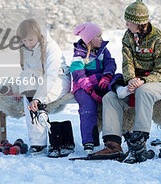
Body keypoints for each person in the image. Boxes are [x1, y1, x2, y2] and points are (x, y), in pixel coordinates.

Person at [90, 0, 161, 164]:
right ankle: (113, 144)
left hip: (157, 81)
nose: (126, 24)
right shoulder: (128, 36)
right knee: (110, 97)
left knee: (143, 90)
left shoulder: (159, 39)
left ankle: (139, 142)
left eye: (128, 21)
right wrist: (130, 80)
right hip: (135, 81)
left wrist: (142, 81)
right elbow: (127, 62)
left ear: (138, 22)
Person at [7, 19, 73, 157]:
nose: (28, 44)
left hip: (59, 79)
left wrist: (37, 98)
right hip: (38, 81)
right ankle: (38, 143)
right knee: (28, 96)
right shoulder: (24, 49)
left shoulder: (50, 46)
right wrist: (19, 89)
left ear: (37, 34)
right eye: (24, 41)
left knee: (36, 101)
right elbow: (25, 72)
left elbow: (51, 75)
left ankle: (55, 138)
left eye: (30, 40)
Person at [71, 22, 120, 154]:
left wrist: (107, 76)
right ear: (89, 40)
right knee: (88, 106)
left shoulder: (103, 50)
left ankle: (119, 88)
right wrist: (90, 90)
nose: (101, 38)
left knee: (118, 78)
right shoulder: (79, 54)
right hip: (83, 86)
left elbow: (110, 63)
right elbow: (78, 74)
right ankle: (89, 141)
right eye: (98, 36)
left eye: (101, 35)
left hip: (101, 82)